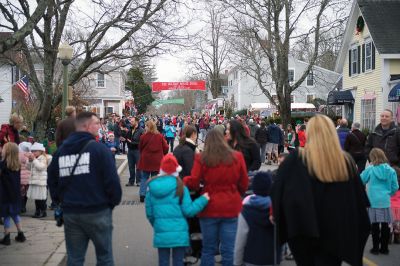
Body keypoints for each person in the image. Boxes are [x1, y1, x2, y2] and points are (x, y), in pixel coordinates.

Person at [271, 115, 371, 266]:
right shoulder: (345, 162)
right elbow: (358, 202)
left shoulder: (296, 159)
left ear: (309, 133)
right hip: (336, 234)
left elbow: (278, 192)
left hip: (303, 232)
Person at [48, 112, 122, 266]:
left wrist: (60, 202)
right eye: (96, 123)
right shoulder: (99, 150)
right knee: (105, 257)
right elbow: (112, 182)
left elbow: (52, 181)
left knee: (74, 258)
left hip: (71, 212)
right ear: (87, 126)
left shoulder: (60, 153)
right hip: (97, 210)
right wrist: (110, 204)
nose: (99, 126)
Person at [184, 129, 249, 266]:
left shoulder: (201, 158)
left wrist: (184, 180)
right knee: (229, 248)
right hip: (231, 206)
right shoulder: (237, 156)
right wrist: (235, 193)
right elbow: (244, 183)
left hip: (209, 206)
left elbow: (195, 182)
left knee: (208, 249)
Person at [145, 154, 210, 266]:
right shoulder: (181, 187)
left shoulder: (151, 188)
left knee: (163, 262)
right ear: (176, 170)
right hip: (180, 233)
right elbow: (188, 210)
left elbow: (150, 214)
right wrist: (202, 200)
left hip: (161, 231)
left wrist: (157, 224)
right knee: (178, 261)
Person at [234, 171, 281, 266]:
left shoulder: (246, 211)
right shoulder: (277, 210)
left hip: (250, 259)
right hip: (272, 259)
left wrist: (237, 262)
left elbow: (240, 241)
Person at [360, 148, 399, 255]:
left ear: (373, 157)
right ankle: (384, 248)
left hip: (373, 201)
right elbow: (395, 186)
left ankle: (375, 248)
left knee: (375, 226)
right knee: (386, 225)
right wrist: (388, 194)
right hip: (385, 201)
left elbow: (361, 180)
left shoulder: (370, 169)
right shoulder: (391, 170)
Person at [0, 143, 26, 245]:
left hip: (5, 195)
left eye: (4, 148)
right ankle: (21, 234)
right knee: (14, 214)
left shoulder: (2, 164)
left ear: (7, 152)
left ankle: (7, 236)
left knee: (6, 215)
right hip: (15, 194)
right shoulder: (17, 165)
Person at [138, 120, 169, 203]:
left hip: (146, 160)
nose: (145, 127)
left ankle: (142, 194)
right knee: (155, 178)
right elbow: (166, 147)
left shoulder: (143, 137)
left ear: (148, 127)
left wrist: (143, 154)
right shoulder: (159, 136)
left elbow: (140, 148)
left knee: (144, 177)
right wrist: (163, 153)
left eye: (146, 126)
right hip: (157, 160)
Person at [26, 142, 52, 218]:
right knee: (36, 198)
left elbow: (41, 167)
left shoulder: (44, 158)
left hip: (41, 182)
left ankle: (43, 212)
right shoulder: (35, 159)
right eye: (32, 151)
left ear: (41, 151)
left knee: (41, 199)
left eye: (35, 151)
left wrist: (34, 159)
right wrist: (30, 161)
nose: (33, 152)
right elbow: (28, 168)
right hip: (34, 180)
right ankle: (37, 211)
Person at [126, 117, 144, 186]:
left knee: (138, 167)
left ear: (136, 122)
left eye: (132, 121)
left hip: (137, 151)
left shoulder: (141, 130)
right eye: (130, 121)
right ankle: (131, 181)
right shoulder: (130, 129)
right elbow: (127, 139)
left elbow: (142, 142)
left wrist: (132, 143)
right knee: (131, 167)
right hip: (130, 150)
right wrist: (124, 138)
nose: (131, 122)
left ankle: (138, 181)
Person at [18, 142, 32, 214]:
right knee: (26, 192)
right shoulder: (30, 155)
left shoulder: (19, 154)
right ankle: (23, 206)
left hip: (21, 177)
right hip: (28, 177)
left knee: (21, 192)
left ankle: (20, 207)